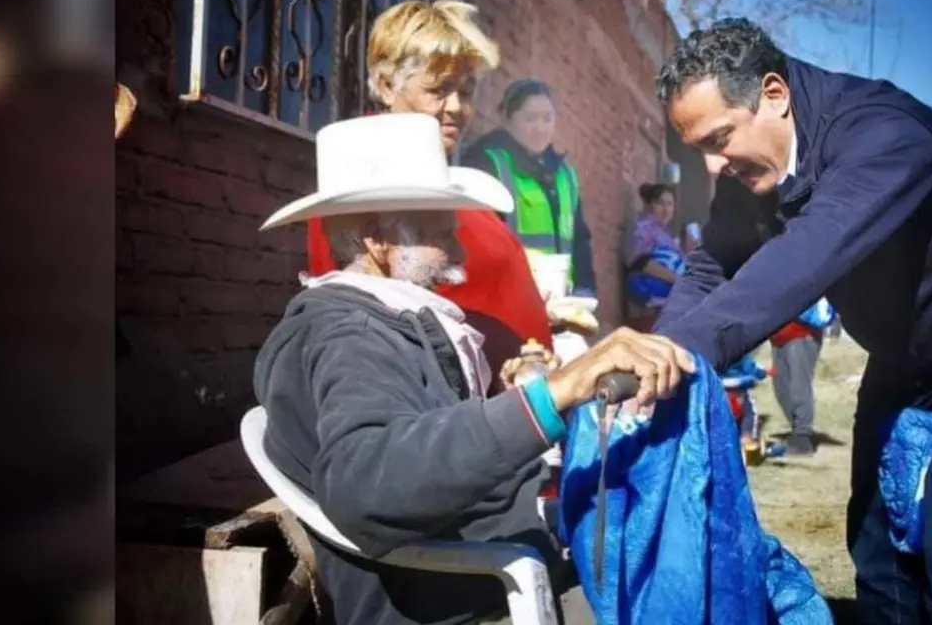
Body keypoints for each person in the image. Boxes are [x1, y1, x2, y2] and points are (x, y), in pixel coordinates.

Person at [651, 18, 932, 624]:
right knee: (876, 542)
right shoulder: (748, 170)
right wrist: (653, 351)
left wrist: (680, 356)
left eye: (719, 138)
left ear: (773, 94)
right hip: (908, 349)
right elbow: (711, 268)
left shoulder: (885, 137)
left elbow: (802, 258)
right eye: (700, 148)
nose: (713, 167)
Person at [255, 113, 694, 625]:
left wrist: (514, 405)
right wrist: (552, 395)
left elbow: (423, 437)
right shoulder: (349, 335)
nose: (460, 251)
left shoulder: (379, 322)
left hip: (490, 559)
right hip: (465, 597)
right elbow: (367, 482)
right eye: (444, 233)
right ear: (378, 239)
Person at [303, 0, 552, 378]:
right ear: (387, 85)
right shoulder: (363, 184)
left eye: (465, 92)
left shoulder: (439, 176)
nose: (455, 107)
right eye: (438, 89)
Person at [462, 79, 597, 298]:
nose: (540, 128)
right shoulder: (487, 161)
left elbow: (579, 239)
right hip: (508, 296)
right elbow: (479, 239)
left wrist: (585, 289)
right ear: (507, 120)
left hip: (560, 302)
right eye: (530, 118)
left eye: (547, 118)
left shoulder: (565, 174)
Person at [769, 300, 831, 456]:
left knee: (798, 386)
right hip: (779, 336)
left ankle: (802, 437)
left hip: (802, 334)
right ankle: (797, 431)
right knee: (781, 387)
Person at [622, 183, 685, 331]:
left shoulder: (667, 234)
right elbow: (640, 263)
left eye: (670, 204)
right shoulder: (642, 228)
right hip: (648, 296)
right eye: (660, 203)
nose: (666, 209)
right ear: (650, 205)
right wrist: (677, 281)